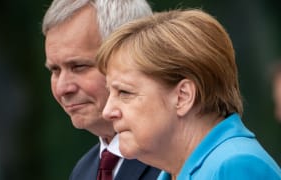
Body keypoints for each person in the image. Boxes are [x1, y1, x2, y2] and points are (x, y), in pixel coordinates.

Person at [96, 9, 281, 179]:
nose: (108, 111)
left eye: (124, 92)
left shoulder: (235, 166)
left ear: (183, 96)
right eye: (110, 91)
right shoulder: (175, 172)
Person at [42, 0, 160, 179]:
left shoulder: (174, 159)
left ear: (134, 56)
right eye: (55, 70)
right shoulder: (83, 171)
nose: (62, 88)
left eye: (79, 66)